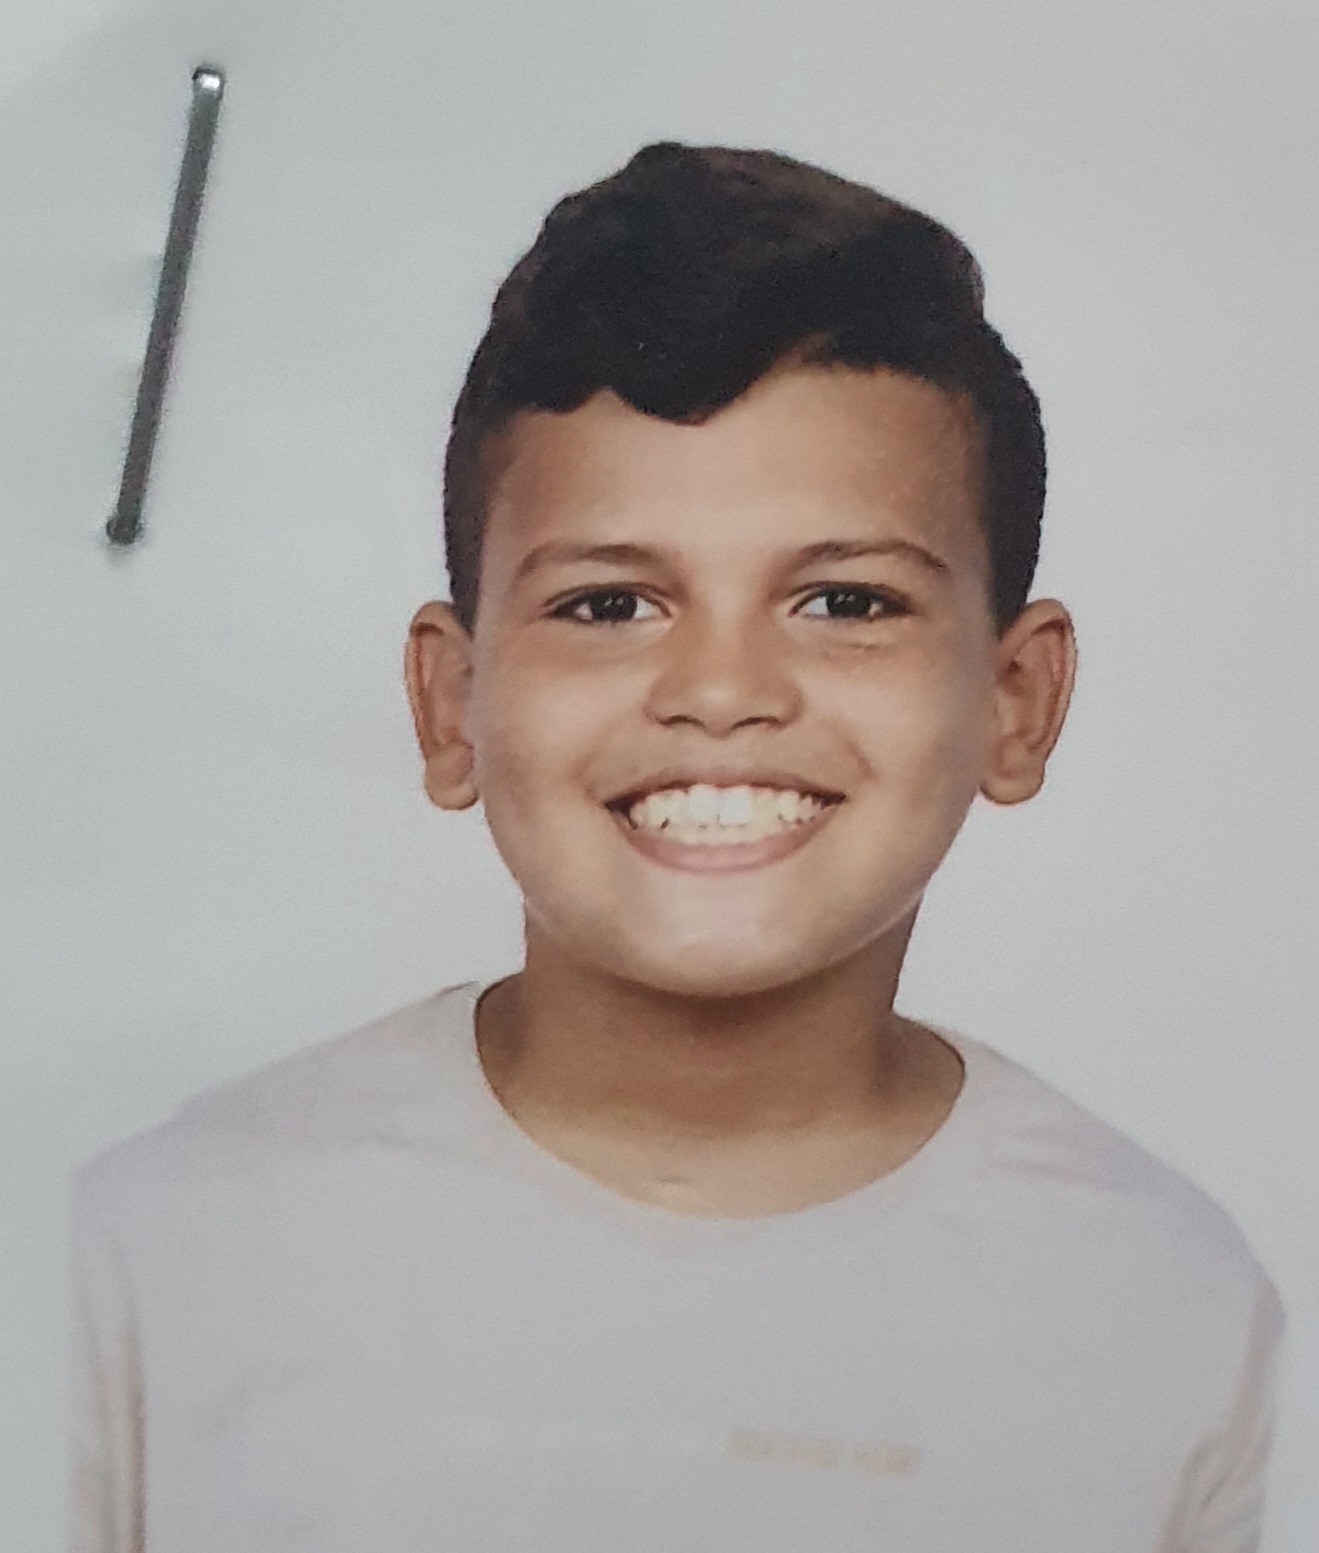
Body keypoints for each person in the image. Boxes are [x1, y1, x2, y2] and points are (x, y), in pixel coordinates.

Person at [70, 141, 1285, 1553]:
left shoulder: (1176, 1319)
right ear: (449, 703)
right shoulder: (149, 1265)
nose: (719, 691)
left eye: (844, 602)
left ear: (1017, 700)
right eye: (609, 605)